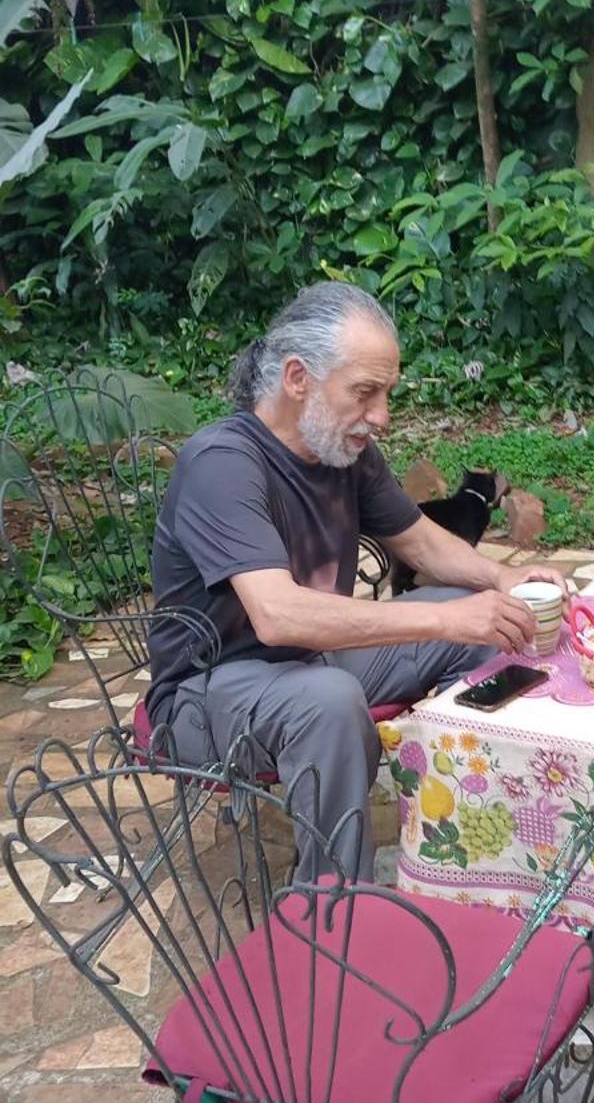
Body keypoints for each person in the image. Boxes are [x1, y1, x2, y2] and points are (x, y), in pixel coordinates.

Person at [147, 281, 564, 876]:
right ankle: (333, 906)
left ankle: (482, 830)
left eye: (387, 393)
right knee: (333, 700)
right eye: (366, 392)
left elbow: (419, 540)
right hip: (204, 695)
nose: (382, 416)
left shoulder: (345, 451)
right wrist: (444, 616)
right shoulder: (223, 463)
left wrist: (502, 579)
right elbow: (279, 615)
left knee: (486, 623)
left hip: (310, 665)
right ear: (298, 379)